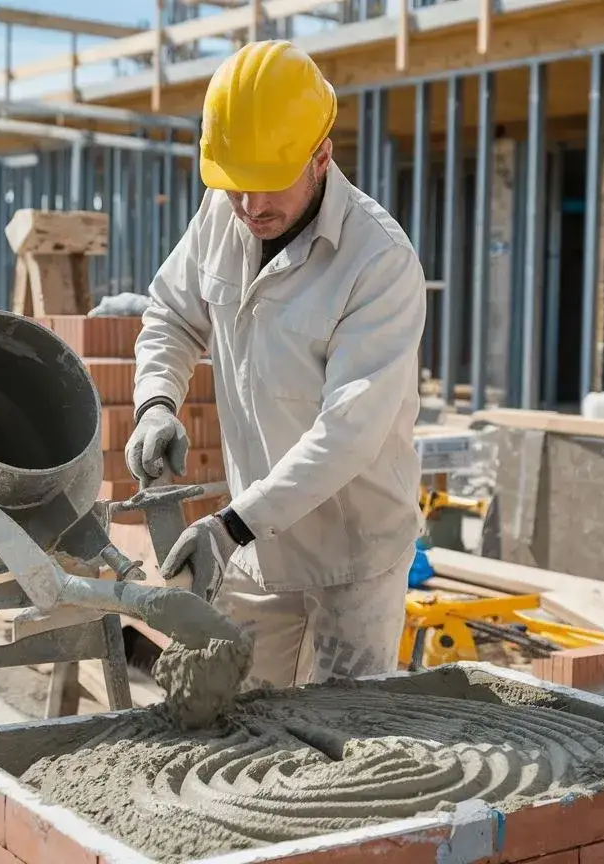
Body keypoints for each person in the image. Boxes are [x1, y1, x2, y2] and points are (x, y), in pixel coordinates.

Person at [125, 40, 426, 689]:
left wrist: (233, 524)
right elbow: (172, 315)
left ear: (322, 155)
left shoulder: (378, 262)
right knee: (240, 726)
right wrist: (155, 403)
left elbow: (349, 430)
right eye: (235, 187)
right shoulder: (223, 214)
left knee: (343, 747)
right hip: (260, 553)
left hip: (353, 558)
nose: (251, 207)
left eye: (269, 184)